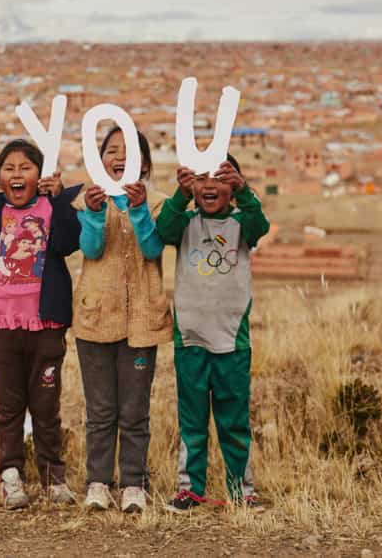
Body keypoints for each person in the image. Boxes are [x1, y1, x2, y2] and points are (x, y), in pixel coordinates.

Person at [0, 139, 82, 510]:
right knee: (8, 405)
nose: (17, 174)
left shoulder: (52, 206)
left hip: (46, 322)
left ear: (40, 175)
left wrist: (58, 201)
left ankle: (53, 476)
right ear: (0, 177)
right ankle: (11, 476)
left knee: (46, 403)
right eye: (9, 168)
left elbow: (70, 242)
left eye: (26, 167)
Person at [156, 155, 270, 512]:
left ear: (232, 186)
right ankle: (190, 489)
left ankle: (242, 490)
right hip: (190, 338)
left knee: (234, 419)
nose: (209, 186)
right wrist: (179, 193)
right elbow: (163, 231)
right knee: (192, 421)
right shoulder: (185, 222)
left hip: (232, 340)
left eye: (219, 178)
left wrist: (245, 190)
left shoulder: (242, 223)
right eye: (201, 178)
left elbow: (260, 225)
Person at [72, 128, 172, 513]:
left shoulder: (159, 204)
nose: (120, 156)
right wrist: (96, 215)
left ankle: (133, 483)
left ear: (143, 164)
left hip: (142, 321)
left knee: (134, 410)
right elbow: (92, 249)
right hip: (96, 320)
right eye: (111, 150)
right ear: (99, 160)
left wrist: (140, 209)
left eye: (129, 151)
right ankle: (97, 481)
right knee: (100, 411)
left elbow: (151, 247)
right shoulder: (87, 202)